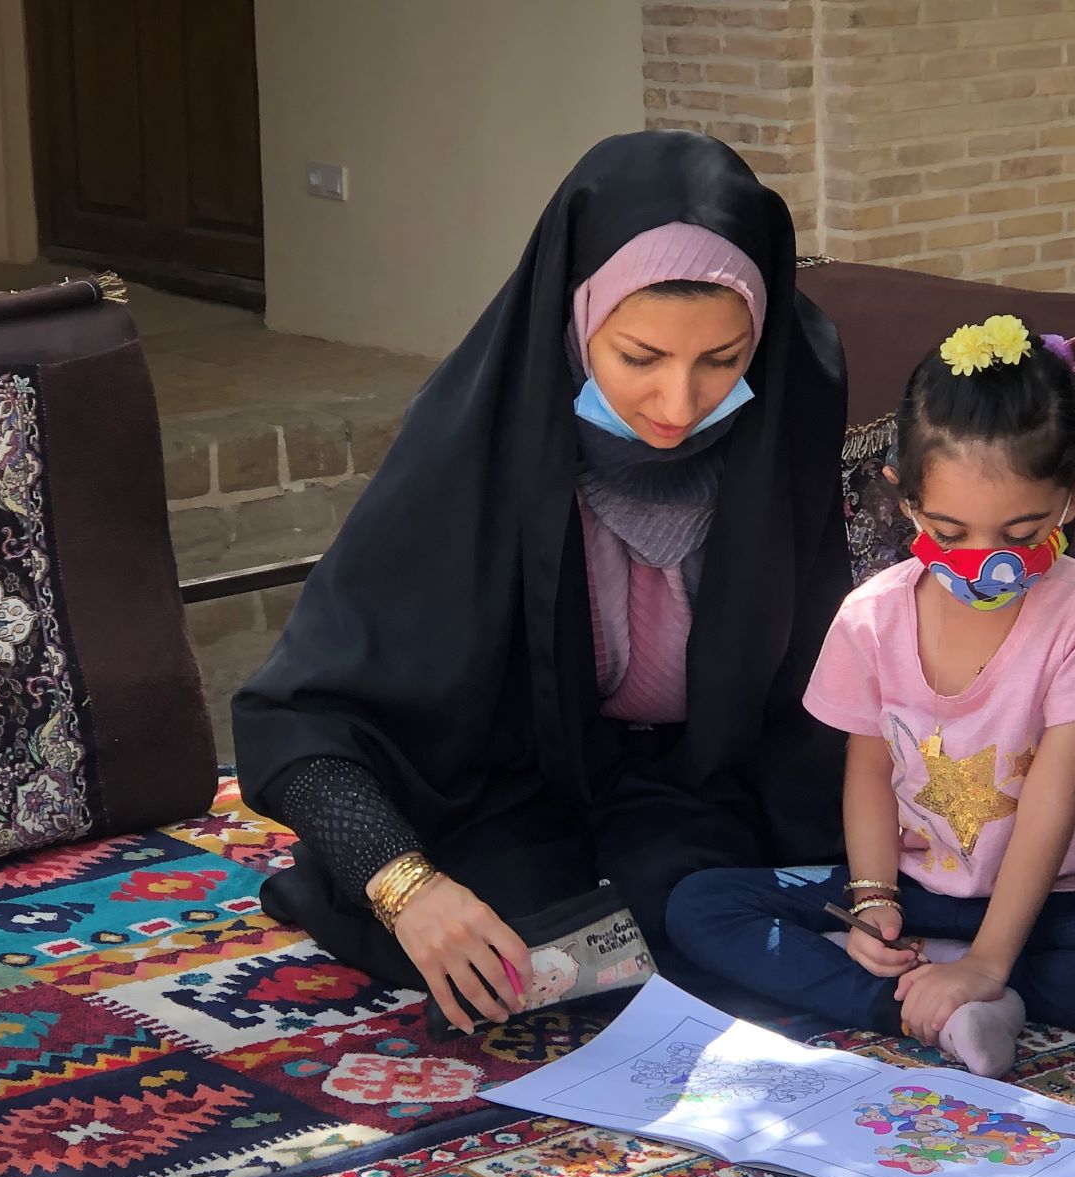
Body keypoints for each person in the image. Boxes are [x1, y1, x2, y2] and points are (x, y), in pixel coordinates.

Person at [232, 131, 852, 1035]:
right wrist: (408, 888)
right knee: (517, 953)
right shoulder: (471, 448)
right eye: (640, 357)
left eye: (722, 361)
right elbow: (299, 721)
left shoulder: (781, 420)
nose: (679, 407)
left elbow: (817, 686)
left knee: (698, 930)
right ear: (573, 317)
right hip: (492, 781)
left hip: (687, 782)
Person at [666, 315, 1075, 1074]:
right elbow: (867, 773)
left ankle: (965, 984)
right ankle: (922, 1001)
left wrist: (987, 962)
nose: (984, 564)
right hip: (922, 890)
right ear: (904, 497)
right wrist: (871, 899)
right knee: (701, 906)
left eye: (1020, 534)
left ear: (1073, 498)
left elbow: (1052, 801)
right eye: (949, 532)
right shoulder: (874, 614)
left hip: (1059, 895)